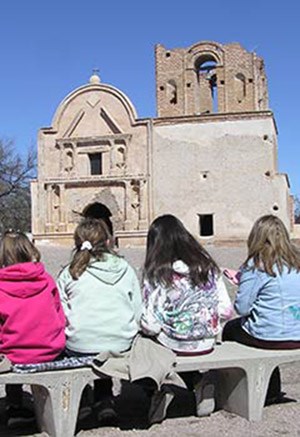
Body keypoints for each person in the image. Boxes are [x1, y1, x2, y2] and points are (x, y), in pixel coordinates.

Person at [57, 217, 142, 424]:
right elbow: (137, 310)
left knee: (76, 341)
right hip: (121, 343)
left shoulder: (69, 273)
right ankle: (104, 400)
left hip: (80, 345)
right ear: (108, 241)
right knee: (105, 342)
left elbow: (60, 314)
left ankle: (83, 397)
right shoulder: (125, 268)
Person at [222, 214, 300, 403]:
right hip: (298, 333)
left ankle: (233, 388)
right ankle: (272, 389)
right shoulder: (296, 261)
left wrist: (243, 284)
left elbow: (242, 307)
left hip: (272, 337)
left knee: (230, 330)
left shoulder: (256, 265)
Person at [0, 230, 66, 428]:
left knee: (12, 349)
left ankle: (14, 406)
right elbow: (60, 317)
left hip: (13, 353)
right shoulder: (46, 280)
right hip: (49, 350)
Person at [141, 214, 233, 355]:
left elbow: (152, 326)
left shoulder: (157, 273)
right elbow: (226, 311)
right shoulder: (208, 267)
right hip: (207, 342)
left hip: (173, 343)